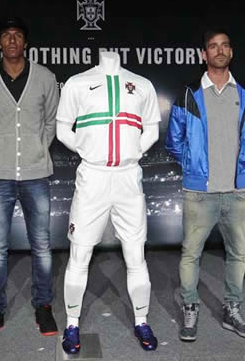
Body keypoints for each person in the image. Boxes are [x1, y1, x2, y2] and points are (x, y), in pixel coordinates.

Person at [56, 51, 160, 354]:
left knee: (135, 253)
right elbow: (63, 128)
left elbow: (151, 129)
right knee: (80, 252)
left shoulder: (142, 84)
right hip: (93, 176)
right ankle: (72, 324)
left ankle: (142, 320)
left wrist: (133, 152)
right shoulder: (78, 83)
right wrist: (88, 149)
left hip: (128, 177)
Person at [165, 28, 245, 342]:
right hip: (199, 193)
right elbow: (174, 141)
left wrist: (240, 175)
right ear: (203, 55)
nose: (219, 50)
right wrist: (194, 168)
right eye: (212, 46)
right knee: (191, 254)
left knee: (238, 255)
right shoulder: (189, 94)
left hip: (237, 192)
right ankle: (190, 308)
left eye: (224, 46)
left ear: (231, 52)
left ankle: (232, 311)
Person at [0, 17, 59, 340]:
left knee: (42, 245)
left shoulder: (45, 78)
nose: (12, 40)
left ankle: (43, 306)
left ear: (26, 43)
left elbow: (51, 120)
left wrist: (38, 147)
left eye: (18, 36)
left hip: (37, 174)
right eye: (6, 36)